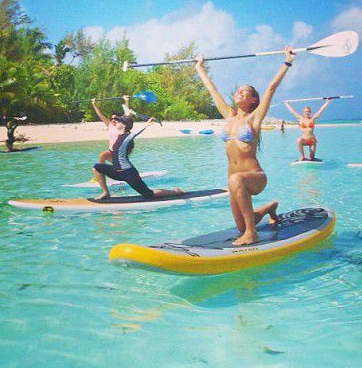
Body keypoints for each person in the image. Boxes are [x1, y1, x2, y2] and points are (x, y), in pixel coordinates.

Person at [195, 47, 295, 245]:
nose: (240, 92)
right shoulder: (229, 117)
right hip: (235, 181)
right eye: (238, 90)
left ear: (253, 100)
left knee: (236, 184)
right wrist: (200, 68)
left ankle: (252, 233)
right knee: (240, 225)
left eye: (245, 91)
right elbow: (212, 90)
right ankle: (267, 210)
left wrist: (287, 62)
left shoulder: (254, 119)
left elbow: (272, 88)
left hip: (254, 177)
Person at [91, 115, 182, 201]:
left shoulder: (127, 137)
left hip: (129, 173)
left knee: (149, 195)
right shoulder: (118, 134)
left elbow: (135, 132)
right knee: (96, 167)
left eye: (118, 122)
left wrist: (147, 124)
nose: (116, 123)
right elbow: (118, 122)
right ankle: (106, 193)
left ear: (124, 125)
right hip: (116, 172)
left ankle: (175, 191)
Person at [92, 96, 134, 166]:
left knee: (124, 166)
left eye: (115, 118)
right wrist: (94, 104)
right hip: (111, 151)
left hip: (121, 151)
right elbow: (100, 115)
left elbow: (126, 113)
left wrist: (126, 101)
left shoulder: (122, 125)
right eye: (112, 118)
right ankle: (102, 174)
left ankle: (132, 174)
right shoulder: (110, 125)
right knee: (102, 156)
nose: (113, 119)